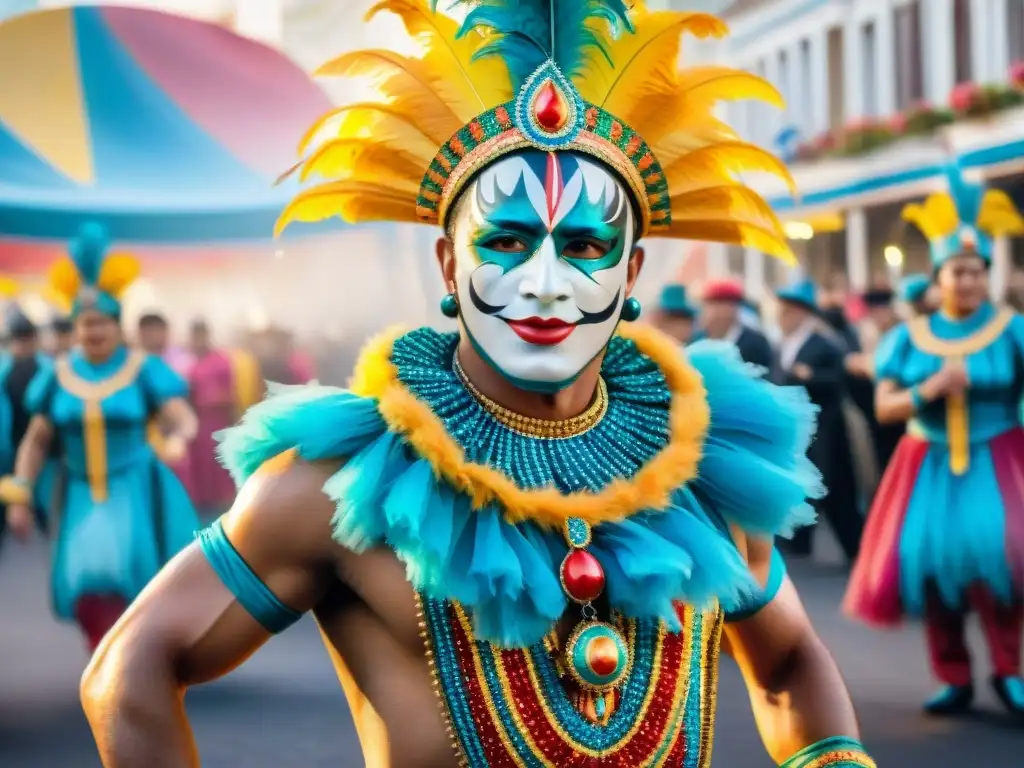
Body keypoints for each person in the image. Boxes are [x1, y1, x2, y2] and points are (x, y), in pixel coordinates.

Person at [80, 5, 873, 767]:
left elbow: (789, 661)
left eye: (587, 245)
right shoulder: (340, 486)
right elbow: (131, 669)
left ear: (631, 271)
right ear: (450, 264)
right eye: (507, 239)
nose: (546, 283)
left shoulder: (701, 466)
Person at [845, 165, 1024, 717]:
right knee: (931, 569)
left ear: (985, 275)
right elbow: (885, 405)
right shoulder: (908, 337)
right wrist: (931, 388)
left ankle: (1010, 670)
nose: (967, 282)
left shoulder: (1012, 328)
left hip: (998, 458)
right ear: (939, 276)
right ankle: (953, 674)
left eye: (976, 272)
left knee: (1003, 563)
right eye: (957, 272)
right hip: (926, 462)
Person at [1, 223, 200, 652]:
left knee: (137, 577)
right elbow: (36, 441)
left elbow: (180, 415)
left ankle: (140, 657)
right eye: (84, 326)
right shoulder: (57, 375)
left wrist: (181, 436)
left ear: (117, 326)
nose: (92, 334)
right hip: (78, 492)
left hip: (136, 485)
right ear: (73, 329)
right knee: (89, 580)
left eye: (101, 325)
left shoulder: (141, 368)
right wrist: (19, 493)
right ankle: (107, 658)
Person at [774, 279, 863, 562]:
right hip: (799, 430)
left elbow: (840, 380)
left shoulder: (823, 343)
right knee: (801, 487)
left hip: (827, 429)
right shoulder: (785, 344)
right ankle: (798, 542)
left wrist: (810, 376)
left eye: (787, 311)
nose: (782, 317)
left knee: (836, 493)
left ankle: (856, 548)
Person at [185, 320, 238, 518]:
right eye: (194, 336)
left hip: (218, 422)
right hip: (197, 426)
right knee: (201, 472)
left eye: (200, 335)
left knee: (220, 471)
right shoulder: (191, 363)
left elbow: (232, 395)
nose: (197, 340)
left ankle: (227, 512)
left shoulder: (222, 362)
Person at [700, 278, 773, 368]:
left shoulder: (755, 344)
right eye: (709, 305)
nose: (713, 312)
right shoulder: (699, 339)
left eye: (720, 305)